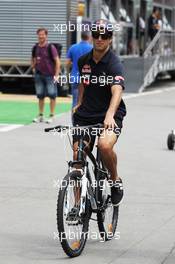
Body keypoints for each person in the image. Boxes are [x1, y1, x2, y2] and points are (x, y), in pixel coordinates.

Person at [67, 19, 127, 220]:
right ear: (92, 36)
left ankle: (115, 181)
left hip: (109, 114)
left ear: (110, 38)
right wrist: (80, 102)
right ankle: (77, 206)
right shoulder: (83, 60)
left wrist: (110, 114)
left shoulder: (114, 63)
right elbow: (84, 82)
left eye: (105, 36)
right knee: (78, 158)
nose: (100, 39)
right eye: (96, 35)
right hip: (86, 115)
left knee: (104, 145)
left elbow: (117, 90)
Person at [31, 28, 60, 123]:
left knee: (52, 95)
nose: (41, 36)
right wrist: (33, 68)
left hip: (50, 75)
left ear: (46, 36)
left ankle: (51, 115)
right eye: (39, 34)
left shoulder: (50, 47)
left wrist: (56, 74)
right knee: (40, 96)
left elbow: (57, 61)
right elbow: (33, 58)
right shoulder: (35, 47)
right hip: (39, 75)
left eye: (43, 34)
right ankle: (40, 115)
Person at [66, 31, 92, 111]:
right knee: (87, 101)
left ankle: (74, 121)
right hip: (88, 78)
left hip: (75, 77)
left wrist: (69, 73)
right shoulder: (92, 48)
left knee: (75, 101)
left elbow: (67, 63)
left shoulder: (73, 47)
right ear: (89, 37)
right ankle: (84, 121)